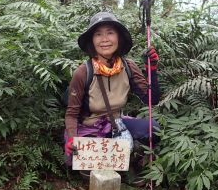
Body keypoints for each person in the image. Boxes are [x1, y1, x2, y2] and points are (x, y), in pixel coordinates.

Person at [64, 12, 160, 165]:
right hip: (90, 128)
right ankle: (117, 157)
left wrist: (152, 69)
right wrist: (71, 138)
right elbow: (71, 114)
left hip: (117, 123)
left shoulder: (128, 66)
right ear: (92, 41)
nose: (105, 39)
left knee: (153, 128)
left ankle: (136, 161)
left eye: (110, 33)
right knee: (85, 157)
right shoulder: (83, 72)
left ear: (118, 38)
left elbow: (151, 99)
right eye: (98, 34)